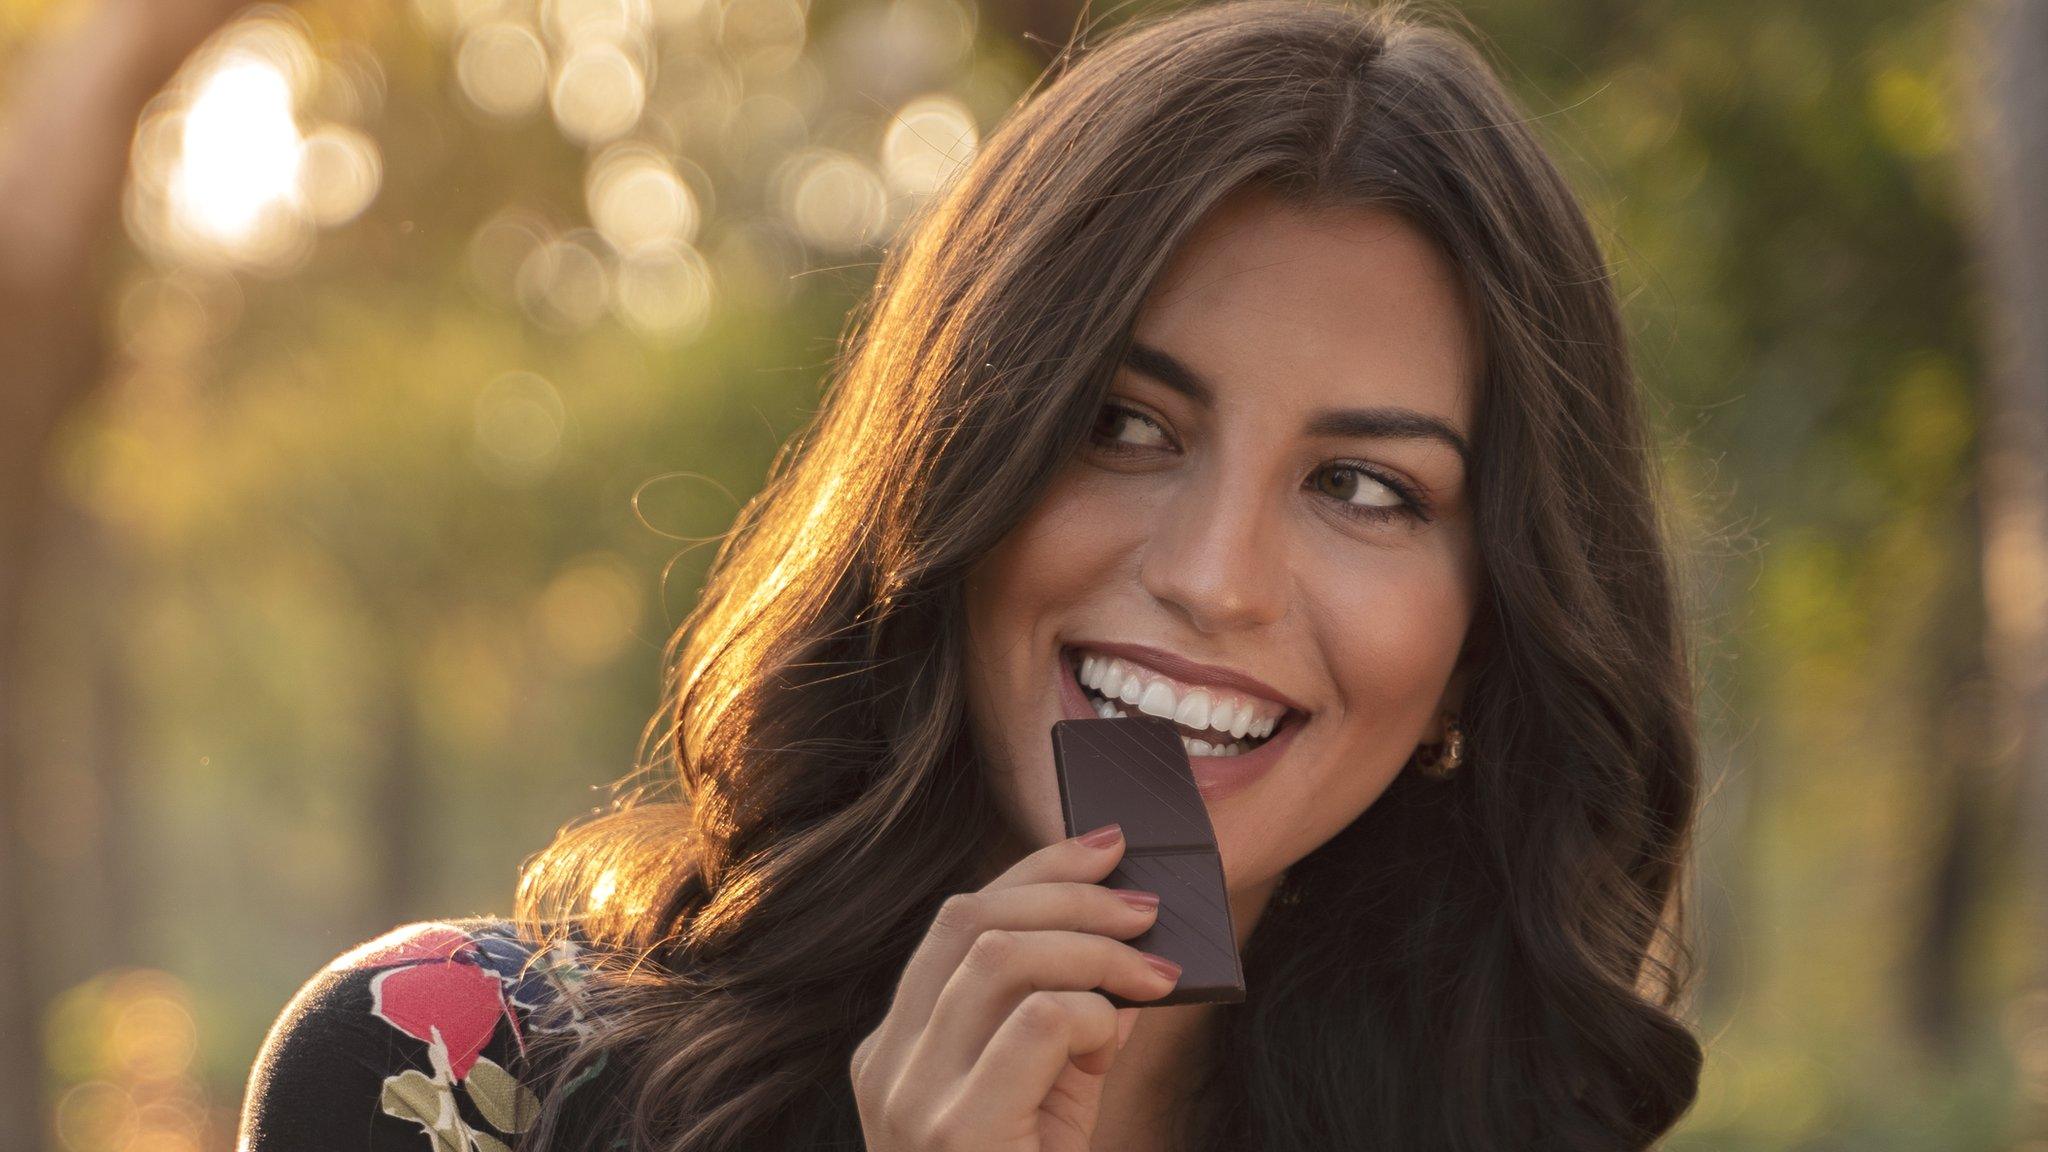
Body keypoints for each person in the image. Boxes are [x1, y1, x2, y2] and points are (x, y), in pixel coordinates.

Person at [237, 0, 1707, 1149]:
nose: (1214, 577)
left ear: (1488, 633)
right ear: (955, 462)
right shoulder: (443, 1082)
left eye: (1364, 488)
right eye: (1123, 426)